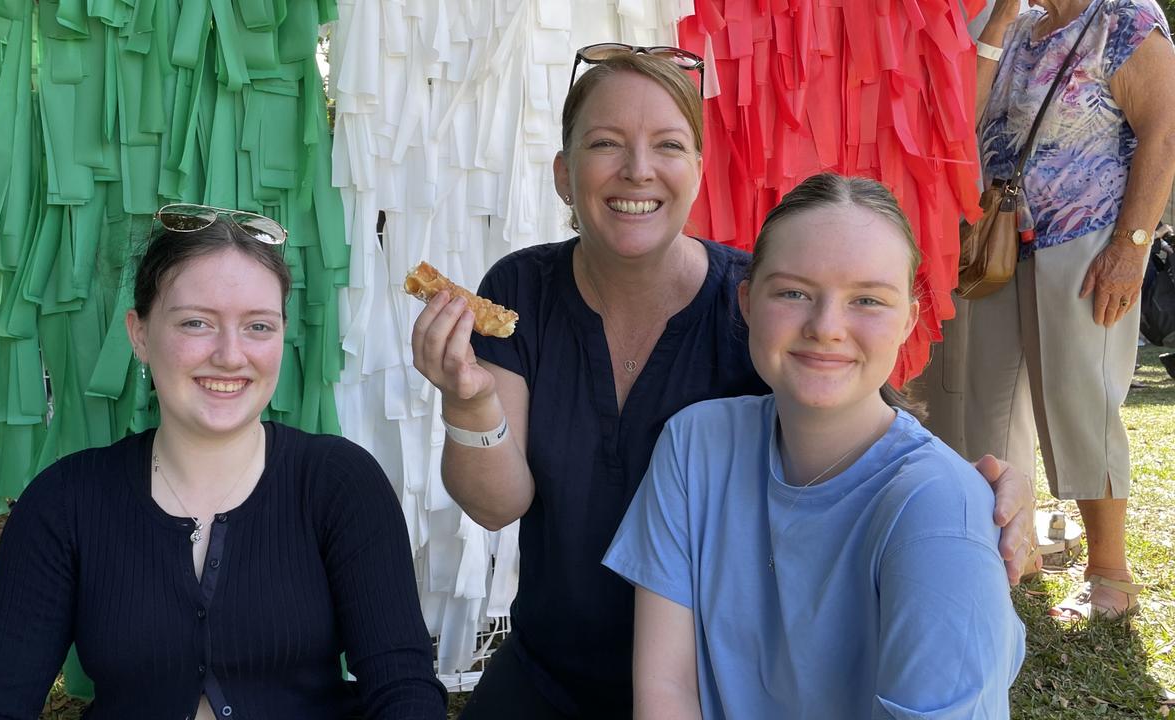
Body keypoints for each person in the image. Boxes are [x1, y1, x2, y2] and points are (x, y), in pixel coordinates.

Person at [412, 48, 1035, 718]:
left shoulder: (765, 300)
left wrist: (974, 496)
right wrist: (469, 400)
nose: (638, 168)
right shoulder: (523, 290)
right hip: (552, 665)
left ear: (698, 172)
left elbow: (865, 432)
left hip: (719, 679)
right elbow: (496, 505)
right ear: (565, 174)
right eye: (605, 143)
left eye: (668, 145)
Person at [0, 206, 447, 719]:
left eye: (257, 326)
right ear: (139, 334)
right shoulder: (65, 503)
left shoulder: (339, 483)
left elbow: (403, 686)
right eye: (196, 323)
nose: (230, 355)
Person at [604, 174, 1026, 719]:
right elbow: (667, 692)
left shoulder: (942, 512)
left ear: (908, 322)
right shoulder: (695, 445)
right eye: (794, 292)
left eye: (867, 300)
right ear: (748, 303)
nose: (826, 327)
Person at [968, 0, 1175, 619]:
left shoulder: (1126, 17)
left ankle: (1110, 573)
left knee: (1082, 402)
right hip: (1005, 243)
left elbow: (1164, 130)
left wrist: (1131, 247)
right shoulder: (1022, 25)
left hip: (1090, 242)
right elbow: (966, 119)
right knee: (992, 403)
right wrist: (1001, 20)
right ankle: (1016, 547)